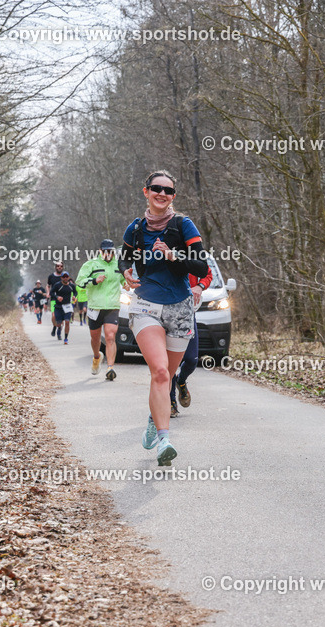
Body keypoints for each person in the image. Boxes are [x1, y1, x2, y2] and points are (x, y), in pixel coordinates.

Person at [119, 170, 210, 466]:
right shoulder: (135, 229)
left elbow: (199, 264)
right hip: (145, 305)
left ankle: (152, 417)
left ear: (173, 196)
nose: (162, 194)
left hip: (180, 308)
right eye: (156, 188)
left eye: (168, 190)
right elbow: (124, 257)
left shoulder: (183, 225)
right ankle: (164, 441)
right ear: (145, 192)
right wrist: (126, 271)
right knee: (159, 372)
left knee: (168, 375)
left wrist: (173, 256)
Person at [77, 239, 124, 380]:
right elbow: (79, 281)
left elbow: (123, 279)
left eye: (111, 251)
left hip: (112, 306)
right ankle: (97, 357)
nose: (108, 254)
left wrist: (127, 284)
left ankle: (110, 368)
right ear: (100, 251)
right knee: (95, 338)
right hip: (95, 307)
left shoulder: (119, 265)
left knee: (110, 336)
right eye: (105, 251)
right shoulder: (91, 265)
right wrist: (94, 280)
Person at [168, 268, 211, 417]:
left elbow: (208, 274)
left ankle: (181, 380)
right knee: (169, 362)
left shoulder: (191, 252)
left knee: (192, 359)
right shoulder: (160, 251)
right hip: (166, 311)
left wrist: (200, 286)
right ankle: (171, 403)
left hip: (187, 312)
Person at [49, 271, 77, 342]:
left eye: (66, 277)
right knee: (59, 323)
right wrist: (57, 297)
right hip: (59, 307)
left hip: (67, 306)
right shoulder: (57, 285)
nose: (65, 278)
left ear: (68, 277)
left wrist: (74, 296)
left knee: (67, 322)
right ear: (61, 278)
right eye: (63, 277)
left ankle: (66, 338)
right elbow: (51, 293)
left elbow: (75, 292)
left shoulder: (71, 285)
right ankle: (58, 330)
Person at [47, 262, 68, 338]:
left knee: (61, 318)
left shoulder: (64, 276)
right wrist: (48, 293)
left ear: (63, 267)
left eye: (61, 266)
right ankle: (55, 327)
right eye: (58, 266)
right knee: (54, 316)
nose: (59, 267)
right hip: (54, 299)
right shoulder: (51, 276)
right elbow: (48, 285)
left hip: (64, 300)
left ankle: (58, 329)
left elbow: (69, 284)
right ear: (55, 267)